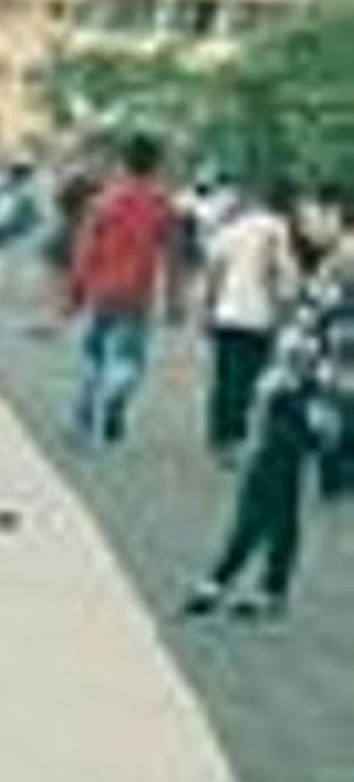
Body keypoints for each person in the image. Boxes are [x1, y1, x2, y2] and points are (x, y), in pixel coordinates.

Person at [186, 204, 353, 619]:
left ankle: (219, 580)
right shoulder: (334, 263)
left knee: (261, 489)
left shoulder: (345, 267)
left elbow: (341, 348)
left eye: (317, 212)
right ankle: (269, 589)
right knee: (280, 494)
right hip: (298, 391)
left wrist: (327, 405)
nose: (307, 220)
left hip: (305, 396)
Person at [57, 134, 185, 445]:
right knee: (130, 358)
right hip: (138, 294)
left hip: (101, 289)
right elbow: (173, 256)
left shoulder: (104, 202)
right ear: (156, 165)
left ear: (124, 162)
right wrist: (174, 300)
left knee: (93, 356)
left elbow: (86, 250)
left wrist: (74, 293)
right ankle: (117, 390)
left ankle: (82, 420)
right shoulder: (163, 206)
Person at [195, 178, 300, 466]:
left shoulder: (233, 227)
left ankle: (219, 434)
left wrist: (206, 307)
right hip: (258, 316)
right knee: (246, 379)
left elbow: (214, 267)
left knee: (224, 376)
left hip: (226, 313)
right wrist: (287, 308)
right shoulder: (277, 229)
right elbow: (285, 275)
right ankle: (235, 435)